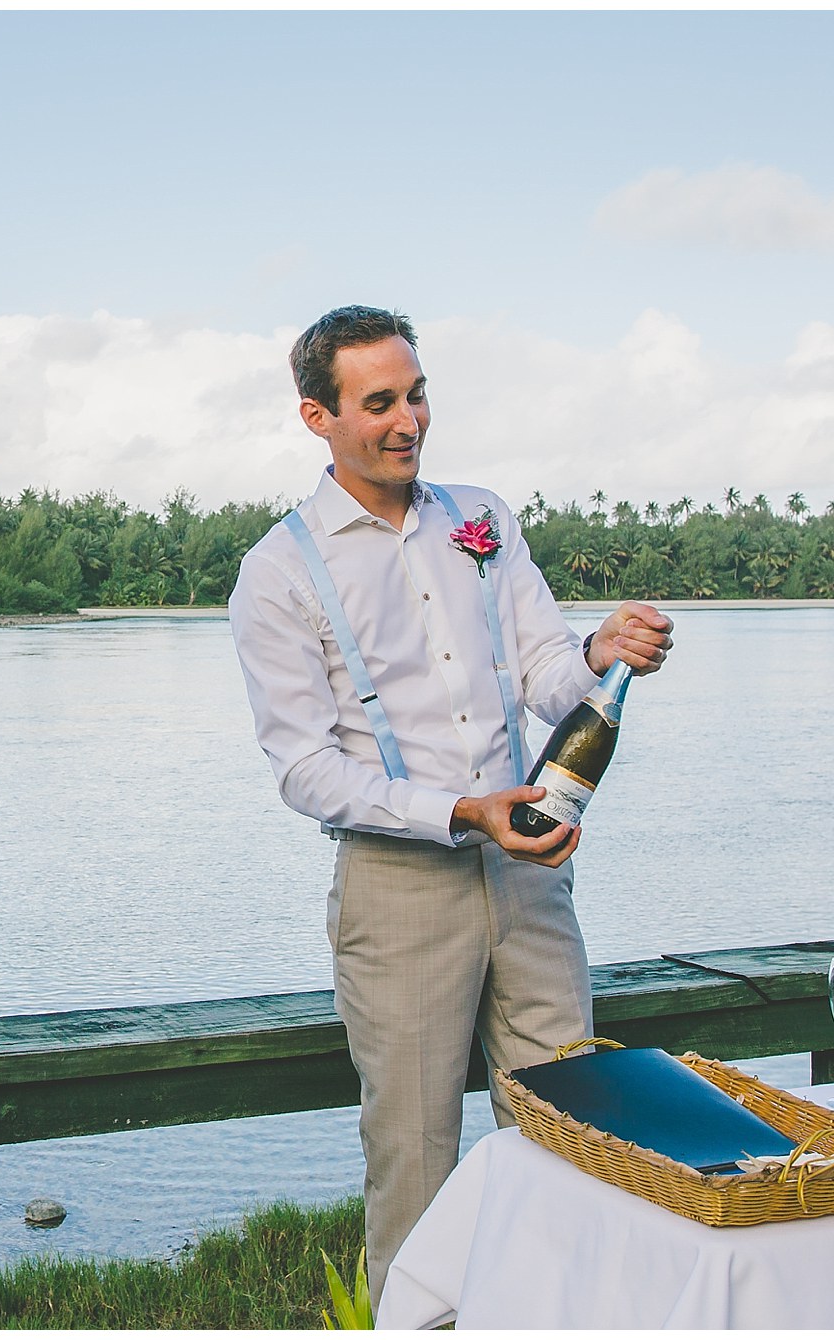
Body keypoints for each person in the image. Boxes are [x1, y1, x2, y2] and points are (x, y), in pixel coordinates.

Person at [227, 306, 673, 1307]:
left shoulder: (483, 517)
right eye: (377, 401)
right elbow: (304, 771)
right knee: (415, 1165)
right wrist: (461, 808)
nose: (407, 420)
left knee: (575, 1135)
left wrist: (599, 650)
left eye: (416, 392)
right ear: (316, 416)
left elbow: (547, 673)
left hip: (527, 877)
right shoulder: (278, 571)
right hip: (397, 892)